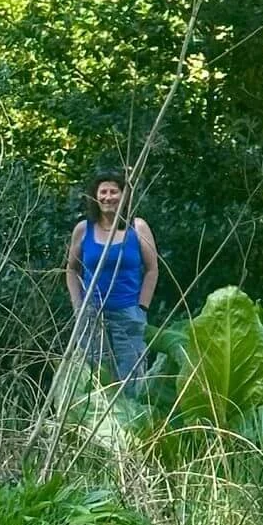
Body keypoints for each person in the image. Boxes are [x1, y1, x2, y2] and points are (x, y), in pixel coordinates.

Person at [65, 168, 159, 392]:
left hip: (128, 315)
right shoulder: (83, 229)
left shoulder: (137, 228)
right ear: (95, 197)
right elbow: (71, 269)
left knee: (132, 378)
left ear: (124, 196)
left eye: (114, 192)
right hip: (92, 316)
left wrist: (142, 307)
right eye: (103, 192)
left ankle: (132, 426)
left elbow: (152, 269)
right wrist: (78, 306)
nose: (108, 197)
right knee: (95, 378)